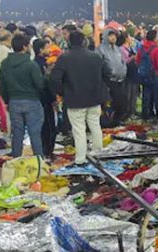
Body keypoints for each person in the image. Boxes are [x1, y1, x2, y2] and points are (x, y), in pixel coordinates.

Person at [50, 30, 110, 165]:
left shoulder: (64, 58)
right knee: (95, 126)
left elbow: (55, 79)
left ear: (69, 41)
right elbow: (107, 73)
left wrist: (62, 92)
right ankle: (98, 155)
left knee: (79, 130)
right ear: (84, 41)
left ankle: (81, 159)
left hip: (74, 100)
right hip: (94, 98)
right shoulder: (95, 56)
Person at [0, 33, 45, 158]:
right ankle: (39, 160)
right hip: (32, 101)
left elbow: (3, 85)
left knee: (17, 132)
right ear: (24, 47)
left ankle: (16, 158)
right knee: (34, 132)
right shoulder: (30, 65)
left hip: (14, 102)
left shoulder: (5, 64)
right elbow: (40, 85)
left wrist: (7, 101)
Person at [32, 38, 57, 158]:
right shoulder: (40, 65)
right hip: (45, 100)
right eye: (47, 47)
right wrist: (53, 99)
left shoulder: (40, 63)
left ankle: (46, 151)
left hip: (41, 100)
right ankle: (47, 152)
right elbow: (44, 85)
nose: (49, 50)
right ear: (41, 50)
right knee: (48, 127)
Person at [97, 28, 127, 126]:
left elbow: (122, 62)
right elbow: (98, 66)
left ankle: (117, 120)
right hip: (109, 81)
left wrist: (124, 70)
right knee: (110, 104)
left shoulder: (117, 49)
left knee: (122, 103)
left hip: (120, 80)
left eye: (114, 35)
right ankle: (109, 122)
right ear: (105, 36)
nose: (113, 37)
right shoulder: (100, 49)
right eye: (110, 35)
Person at [136, 29, 158, 121]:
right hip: (156, 75)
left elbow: (137, 61)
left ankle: (145, 115)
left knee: (146, 96)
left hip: (144, 76)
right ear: (154, 38)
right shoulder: (156, 49)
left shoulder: (141, 48)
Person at [0, 30, 12, 132]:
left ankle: (6, 127)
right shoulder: (4, 50)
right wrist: (0, 81)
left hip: (3, 82)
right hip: (4, 83)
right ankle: (6, 128)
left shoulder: (2, 49)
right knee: (5, 109)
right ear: (8, 38)